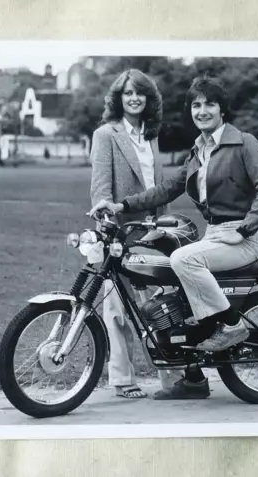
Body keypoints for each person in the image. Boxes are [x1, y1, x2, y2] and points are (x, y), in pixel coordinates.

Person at [89, 75, 258, 400]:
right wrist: (121, 205)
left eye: (209, 104)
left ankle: (232, 325)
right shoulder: (198, 150)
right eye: (196, 105)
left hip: (241, 237)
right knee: (176, 290)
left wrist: (246, 227)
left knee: (182, 258)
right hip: (214, 235)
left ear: (222, 110)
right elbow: (166, 189)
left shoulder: (243, 141)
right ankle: (192, 377)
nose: (202, 111)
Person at [90, 69, 184, 399]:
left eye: (140, 93)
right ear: (118, 98)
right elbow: (100, 188)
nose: (134, 98)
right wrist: (105, 215)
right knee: (117, 309)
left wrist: (164, 225)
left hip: (151, 232)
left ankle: (173, 380)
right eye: (128, 93)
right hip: (119, 233)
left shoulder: (150, 135)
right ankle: (122, 379)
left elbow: (157, 187)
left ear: (149, 99)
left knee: (161, 305)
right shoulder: (106, 134)